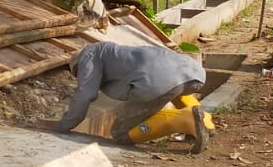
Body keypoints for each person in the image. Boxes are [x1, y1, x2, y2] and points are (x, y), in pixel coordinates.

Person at [41, 41, 210, 152]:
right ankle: (207, 123)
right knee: (172, 89)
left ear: (77, 67)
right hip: (194, 73)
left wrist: (63, 125)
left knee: (120, 133)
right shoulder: (114, 53)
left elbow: (86, 94)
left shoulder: (88, 54)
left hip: (157, 82)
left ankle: (183, 119)